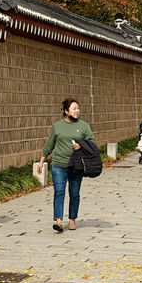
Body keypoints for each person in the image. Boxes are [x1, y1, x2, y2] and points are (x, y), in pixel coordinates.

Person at [38, 98, 94, 232]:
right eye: (74, 108)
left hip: (76, 166)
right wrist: (41, 161)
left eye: (78, 108)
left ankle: (72, 220)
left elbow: (92, 142)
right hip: (58, 164)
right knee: (59, 192)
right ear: (66, 111)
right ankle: (58, 220)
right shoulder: (57, 126)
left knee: (74, 193)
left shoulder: (84, 126)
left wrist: (81, 145)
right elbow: (49, 145)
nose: (77, 111)